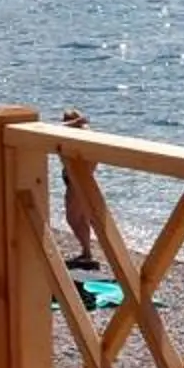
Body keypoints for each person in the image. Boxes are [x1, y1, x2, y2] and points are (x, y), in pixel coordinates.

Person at [58, 109, 102, 270]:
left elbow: (55, 128)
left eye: (66, 119)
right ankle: (86, 252)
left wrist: (75, 123)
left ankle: (87, 251)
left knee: (73, 218)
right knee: (81, 218)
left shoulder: (83, 135)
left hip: (77, 182)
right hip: (79, 180)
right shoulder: (79, 135)